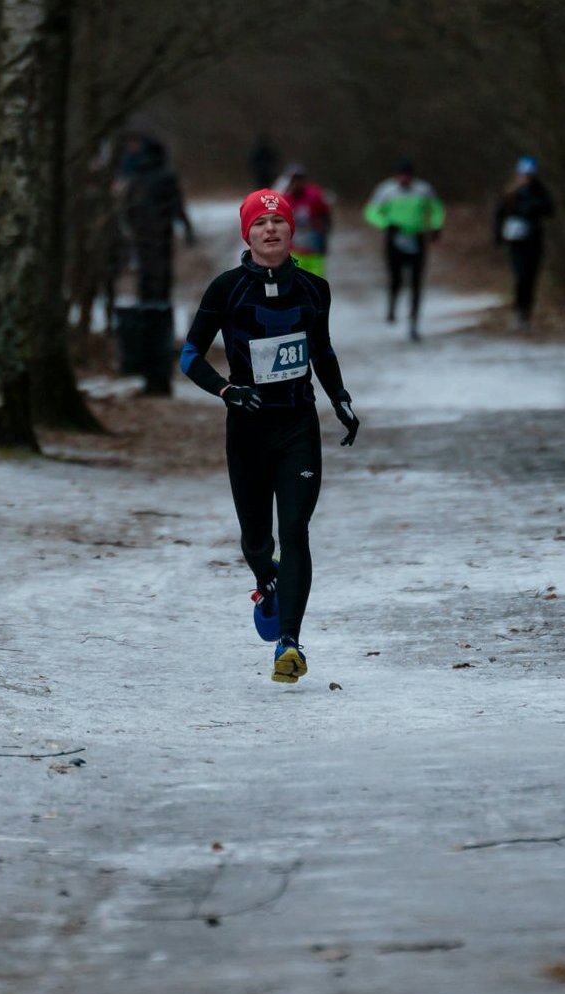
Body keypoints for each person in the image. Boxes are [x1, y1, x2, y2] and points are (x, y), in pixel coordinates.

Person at [179, 190, 360, 683]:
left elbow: (321, 351)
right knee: (258, 543)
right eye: (261, 223)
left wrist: (340, 397)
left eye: (279, 222)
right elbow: (189, 356)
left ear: (291, 232)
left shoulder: (314, 288)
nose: (271, 229)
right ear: (249, 234)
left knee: (295, 531)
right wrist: (226, 390)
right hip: (248, 433)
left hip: (298, 426)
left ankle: (290, 644)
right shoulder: (227, 289)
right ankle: (267, 579)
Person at [365, 158, 445, 341]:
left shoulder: (423, 189)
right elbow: (371, 211)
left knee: (416, 281)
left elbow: (436, 209)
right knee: (396, 277)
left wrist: (435, 226)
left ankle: (414, 323)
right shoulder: (386, 190)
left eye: (407, 176)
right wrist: (386, 223)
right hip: (394, 238)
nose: (404, 179)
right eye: (401, 176)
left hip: (416, 238)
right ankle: (392, 306)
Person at [119, 135, 195, 303]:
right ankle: (160, 308)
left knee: (145, 270)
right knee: (162, 272)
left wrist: (131, 226)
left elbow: (128, 207)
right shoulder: (166, 177)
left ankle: (145, 307)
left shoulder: (136, 177)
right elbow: (177, 205)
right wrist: (187, 229)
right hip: (162, 230)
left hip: (141, 230)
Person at [494, 156, 554, 329]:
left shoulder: (540, 191)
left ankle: (527, 312)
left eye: (528, 175)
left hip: (534, 241)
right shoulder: (510, 193)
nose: (525, 178)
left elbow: (550, 209)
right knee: (521, 276)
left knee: (531, 278)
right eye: (523, 175)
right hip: (516, 242)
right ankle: (519, 312)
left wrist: (533, 207)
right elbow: (499, 214)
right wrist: (499, 235)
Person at [276, 164, 333, 278]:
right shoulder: (284, 200)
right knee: (297, 283)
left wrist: (324, 236)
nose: (297, 183)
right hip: (294, 251)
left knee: (317, 282)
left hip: (314, 249)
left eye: (299, 179)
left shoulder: (315, 196)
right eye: (294, 180)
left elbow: (326, 217)